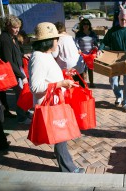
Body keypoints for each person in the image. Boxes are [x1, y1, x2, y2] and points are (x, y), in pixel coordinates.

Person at [29, 22, 85, 173]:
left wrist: (65, 75)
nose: (58, 42)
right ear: (48, 41)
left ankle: (62, 160)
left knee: (60, 133)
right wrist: (61, 83)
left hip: (55, 101)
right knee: (61, 134)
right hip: (50, 104)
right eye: (56, 39)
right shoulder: (38, 58)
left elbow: (49, 76)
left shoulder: (45, 55)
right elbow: (35, 87)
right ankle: (68, 168)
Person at [98, 9, 126, 113]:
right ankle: (119, 95)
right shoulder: (113, 31)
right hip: (114, 60)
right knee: (112, 81)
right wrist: (100, 50)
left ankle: (125, 103)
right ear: (118, 18)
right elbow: (104, 42)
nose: (124, 22)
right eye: (122, 19)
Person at [0, 15, 32, 123]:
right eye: (14, 27)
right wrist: (21, 75)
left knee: (23, 92)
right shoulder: (5, 39)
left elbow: (15, 52)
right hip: (13, 71)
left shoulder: (12, 36)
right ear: (8, 26)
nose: (17, 29)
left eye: (18, 27)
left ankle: (24, 112)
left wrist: (23, 54)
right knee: (21, 94)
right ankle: (21, 117)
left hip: (18, 68)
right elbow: (8, 61)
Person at [52, 21, 86, 87]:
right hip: (78, 64)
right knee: (80, 85)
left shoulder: (59, 39)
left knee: (69, 87)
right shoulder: (71, 37)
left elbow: (54, 54)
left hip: (66, 67)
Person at [75, 18, 98, 88]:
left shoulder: (92, 33)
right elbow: (76, 43)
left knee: (90, 69)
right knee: (82, 69)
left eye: (87, 24)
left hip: (90, 54)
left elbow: (96, 42)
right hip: (81, 54)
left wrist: (96, 47)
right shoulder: (79, 34)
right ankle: (84, 84)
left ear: (89, 25)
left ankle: (91, 83)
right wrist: (78, 49)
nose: (86, 25)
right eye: (84, 24)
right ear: (82, 25)